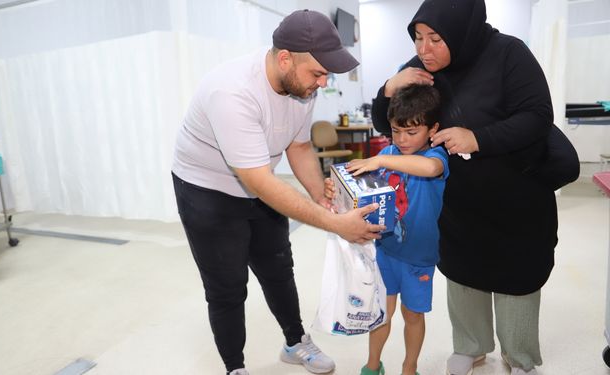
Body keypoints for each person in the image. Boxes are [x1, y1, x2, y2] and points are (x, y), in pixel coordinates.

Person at [171, 9, 384, 375]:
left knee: (278, 268)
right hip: (206, 189)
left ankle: (294, 342)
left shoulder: (301, 85)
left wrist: (321, 196)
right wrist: (335, 225)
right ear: (284, 58)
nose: (322, 82)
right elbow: (258, 181)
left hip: (258, 179)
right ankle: (234, 367)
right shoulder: (232, 91)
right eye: (318, 73)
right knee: (227, 286)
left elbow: (298, 147)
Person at [371, 1, 560, 374]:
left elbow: (537, 117)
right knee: (463, 270)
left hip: (514, 195)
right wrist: (388, 89)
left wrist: (478, 137)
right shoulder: (417, 70)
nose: (424, 50)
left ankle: (519, 355)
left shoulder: (508, 54)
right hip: (456, 199)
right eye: (418, 38)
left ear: (462, 33)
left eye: (435, 39)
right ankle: (471, 346)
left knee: (516, 275)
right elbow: (387, 122)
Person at [345, 84, 449, 375]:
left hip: (419, 257)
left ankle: (409, 368)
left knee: (413, 314)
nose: (401, 140)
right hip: (386, 251)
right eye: (395, 130)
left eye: (411, 132)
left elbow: (428, 170)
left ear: (433, 129)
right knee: (381, 314)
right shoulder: (389, 152)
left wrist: (379, 159)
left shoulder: (438, 158)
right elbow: (360, 191)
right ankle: (373, 365)